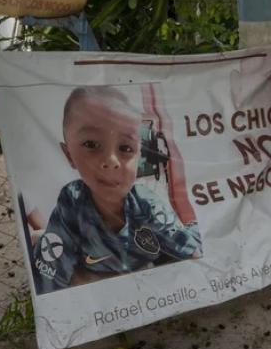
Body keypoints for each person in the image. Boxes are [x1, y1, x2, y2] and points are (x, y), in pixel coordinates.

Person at [30, 86, 202, 294]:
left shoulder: (148, 205)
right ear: (69, 155)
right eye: (91, 144)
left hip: (149, 256)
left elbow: (194, 257)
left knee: (192, 238)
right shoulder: (72, 201)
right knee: (40, 244)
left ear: (139, 157)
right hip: (108, 264)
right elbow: (51, 282)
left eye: (126, 148)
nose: (111, 161)